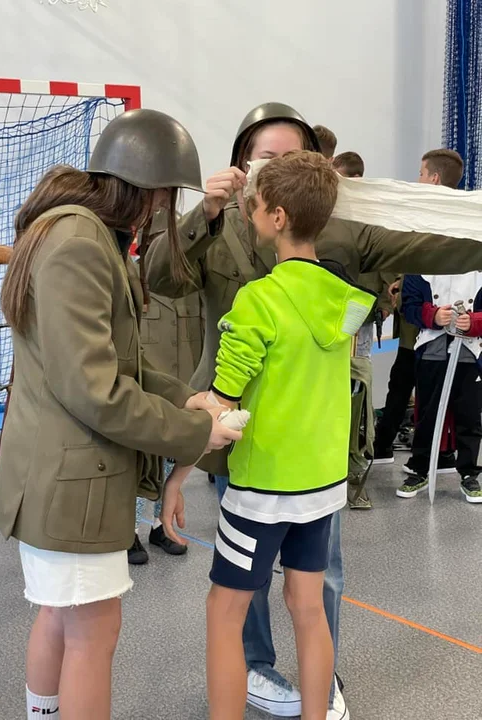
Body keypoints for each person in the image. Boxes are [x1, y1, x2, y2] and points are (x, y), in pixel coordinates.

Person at [146, 102, 482, 720]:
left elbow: (425, 245)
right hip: (288, 461)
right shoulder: (248, 239)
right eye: (264, 155)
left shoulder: (327, 245)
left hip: (268, 462)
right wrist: (207, 211)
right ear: (241, 161)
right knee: (276, 596)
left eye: (289, 156)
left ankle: (316, 690)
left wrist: (177, 465)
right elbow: (161, 277)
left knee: (278, 589)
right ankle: (261, 674)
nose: (271, 166)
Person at [0, 109, 241, 720]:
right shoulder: (80, 243)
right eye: (164, 195)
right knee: (92, 635)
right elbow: (96, 389)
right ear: (144, 185)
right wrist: (195, 432)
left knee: (62, 619)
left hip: (61, 478)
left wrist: (183, 395)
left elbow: (120, 357)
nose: (163, 208)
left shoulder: (79, 232)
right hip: (71, 485)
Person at [165, 150, 375, 720]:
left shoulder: (256, 300)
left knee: (222, 611)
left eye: (253, 205)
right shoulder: (346, 303)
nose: (248, 212)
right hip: (323, 487)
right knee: (308, 607)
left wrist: (175, 480)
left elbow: (221, 410)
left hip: (261, 493)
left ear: (276, 217)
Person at [373, 150, 465, 468]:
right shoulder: (446, 216)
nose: (419, 179)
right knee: (418, 387)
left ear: (435, 179)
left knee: (411, 385)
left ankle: (404, 449)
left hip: (431, 325)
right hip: (425, 319)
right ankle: (429, 451)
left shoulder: (440, 219)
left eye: (422, 173)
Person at [130, 215, 206, 564]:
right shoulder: (130, 274)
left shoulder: (193, 276)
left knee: (172, 458)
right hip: (146, 382)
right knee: (139, 457)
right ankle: (127, 530)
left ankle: (162, 526)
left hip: (184, 378)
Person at [333, 150, 396, 508]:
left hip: (361, 324)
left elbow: (389, 268)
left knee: (358, 394)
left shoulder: (372, 221)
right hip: (326, 319)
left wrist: (384, 306)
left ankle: (355, 473)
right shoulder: (324, 216)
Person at [398, 271, 482, 502]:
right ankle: (419, 468)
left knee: (470, 415)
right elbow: (409, 307)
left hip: (470, 351)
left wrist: (475, 322)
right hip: (431, 351)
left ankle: (468, 472)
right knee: (427, 413)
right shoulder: (420, 268)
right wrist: (432, 315)